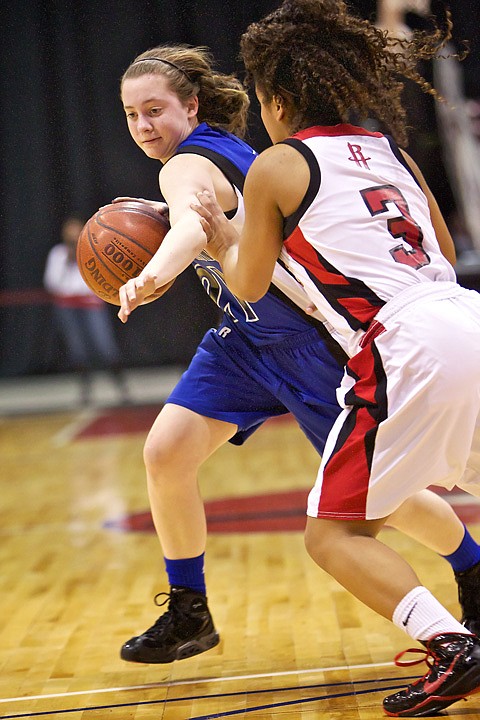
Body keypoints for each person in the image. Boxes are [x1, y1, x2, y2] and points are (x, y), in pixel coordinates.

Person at [115, 42, 480, 681]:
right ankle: (190, 608)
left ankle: (471, 568)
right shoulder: (247, 156)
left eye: (154, 110)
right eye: (130, 115)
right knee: (166, 452)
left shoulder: (192, 162)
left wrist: (151, 275)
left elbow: (189, 228)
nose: (144, 126)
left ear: (191, 106)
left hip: (303, 341)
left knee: (378, 499)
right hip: (243, 337)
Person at [44, 214, 128, 405]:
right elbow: (52, 283)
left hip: (91, 305)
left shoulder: (93, 252)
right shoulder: (58, 254)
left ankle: (122, 388)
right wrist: (68, 261)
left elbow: (100, 281)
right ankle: (85, 391)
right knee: (78, 350)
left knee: (105, 346)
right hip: (67, 308)